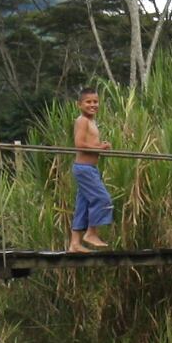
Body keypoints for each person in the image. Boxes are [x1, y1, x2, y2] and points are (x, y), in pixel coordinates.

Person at [68, 88, 114, 250]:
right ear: (79, 104)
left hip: (89, 169)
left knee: (82, 205)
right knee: (103, 199)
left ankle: (74, 243)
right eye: (88, 102)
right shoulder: (82, 121)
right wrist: (99, 148)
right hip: (84, 169)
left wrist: (102, 146)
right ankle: (91, 233)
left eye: (95, 101)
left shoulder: (92, 122)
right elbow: (79, 144)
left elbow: (90, 144)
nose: (92, 105)